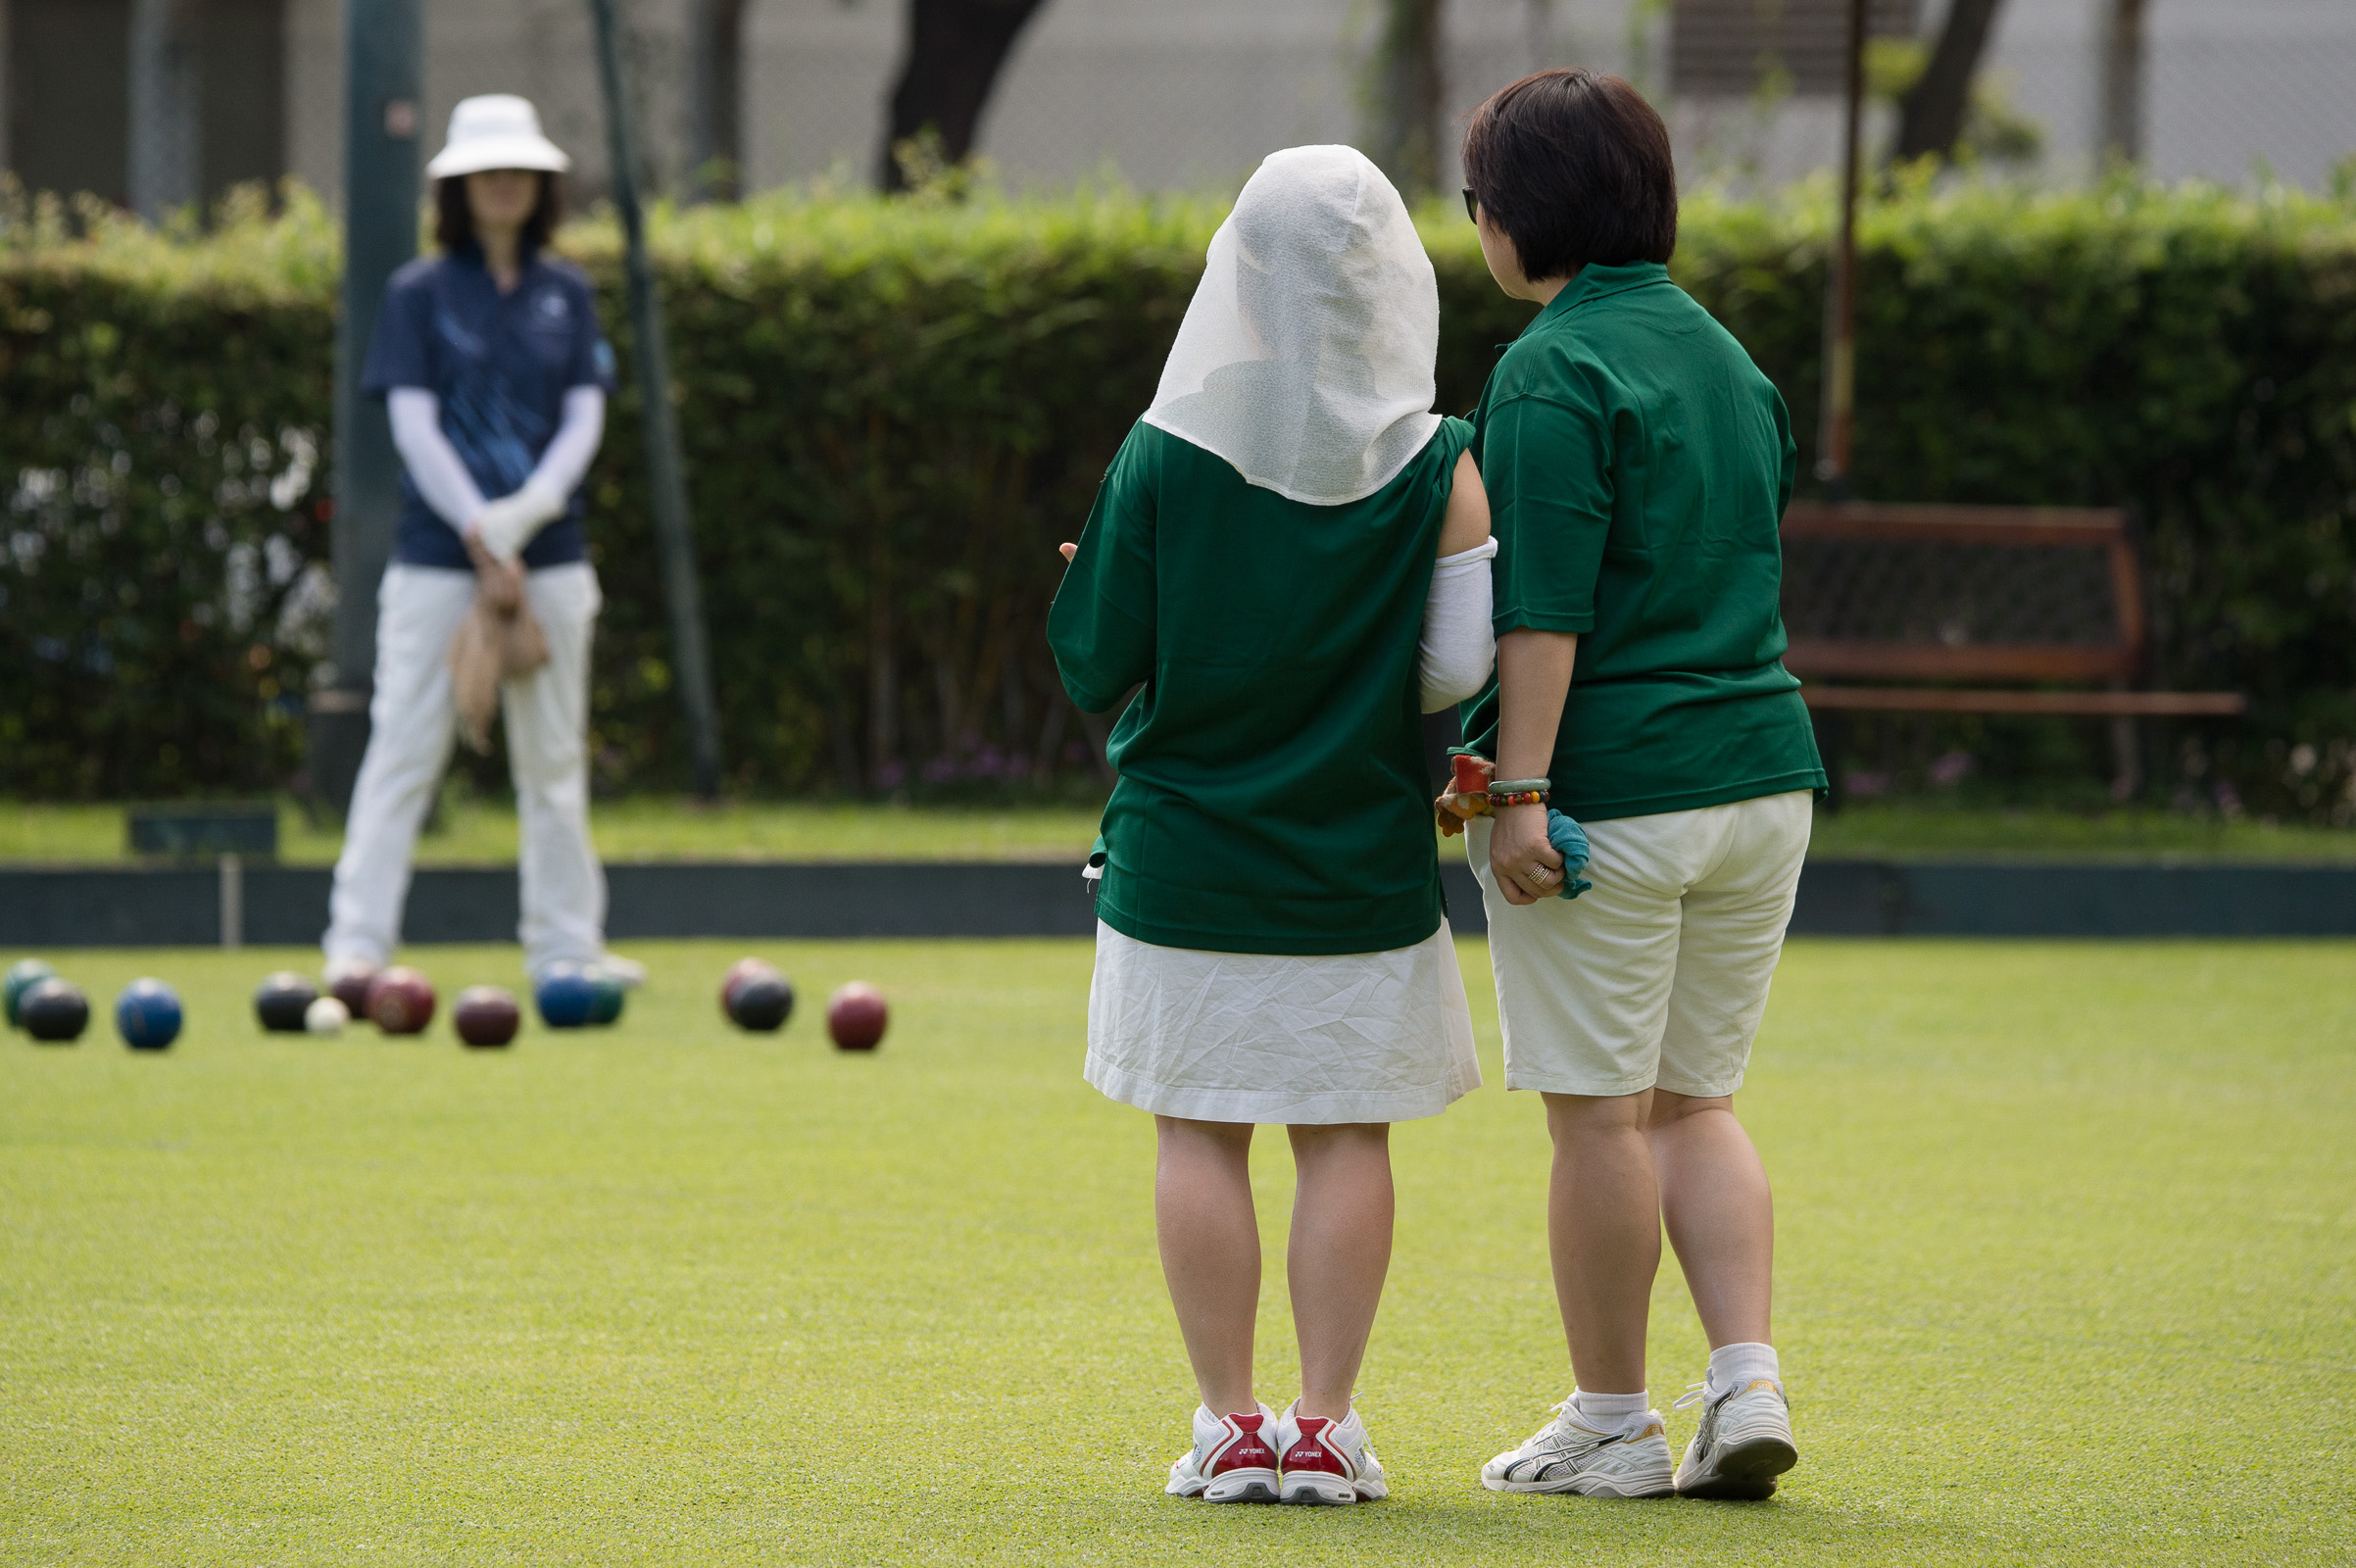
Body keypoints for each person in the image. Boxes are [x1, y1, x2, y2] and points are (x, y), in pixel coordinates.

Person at [1048, 145, 1497, 1507]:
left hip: (1183, 861)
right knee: (1345, 1135)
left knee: (1198, 1132)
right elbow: (1455, 669)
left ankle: (1229, 1426)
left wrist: (1104, 583)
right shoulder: (1441, 463)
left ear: (1239, 276)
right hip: (1356, 866)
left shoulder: (1165, 448)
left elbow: (1096, 660)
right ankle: (1323, 1426)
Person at [1444, 71, 1827, 1501]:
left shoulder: (1549, 369)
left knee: (1601, 1117)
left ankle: (1613, 1422)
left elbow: (1542, 611)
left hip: (1614, 794)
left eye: (1477, 201)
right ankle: (1745, 1384)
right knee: (1696, 1105)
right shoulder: (1728, 359)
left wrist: (1518, 793)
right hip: (1762, 778)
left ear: (1517, 212)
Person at [322, 95, 642, 991]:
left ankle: (567, 949)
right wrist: (478, 527)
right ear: (457, 189)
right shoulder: (417, 293)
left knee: (553, 760)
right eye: (486, 172)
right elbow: (415, 428)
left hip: (551, 557)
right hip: (436, 557)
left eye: (519, 172)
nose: (504, 185)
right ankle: (356, 947)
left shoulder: (566, 291)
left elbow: (584, 417)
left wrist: (525, 515)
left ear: (541, 186)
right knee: (403, 748)